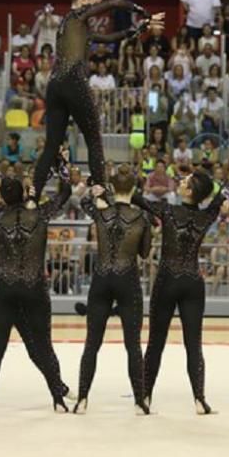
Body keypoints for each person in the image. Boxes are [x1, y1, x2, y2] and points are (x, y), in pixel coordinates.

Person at [32, 0, 162, 198]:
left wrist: (141, 28)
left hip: (55, 86)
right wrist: (142, 10)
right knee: (93, 139)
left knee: (52, 146)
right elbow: (114, 3)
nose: (94, 10)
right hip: (73, 81)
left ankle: (33, 193)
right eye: (93, 3)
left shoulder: (69, 24)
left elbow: (112, 37)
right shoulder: (78, 14)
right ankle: (100, 190)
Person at [0, 151, 73, 413]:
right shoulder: (40, 214)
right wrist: (62, 166)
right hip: (33, 286)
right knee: (43, 345)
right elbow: (66, 192)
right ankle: (57, 397)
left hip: (5, 286)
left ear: (3, 197)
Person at [132, 170, 229, 415]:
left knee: (156, 342)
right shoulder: (207, 216)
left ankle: (145, 396)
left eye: (186, 181)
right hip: (192, 283)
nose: (181, 181)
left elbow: (136, 198)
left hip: (167, 280)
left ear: (190, 191)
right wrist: (218, 194)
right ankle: (199, 399)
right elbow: (223, 190)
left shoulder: (168, 211)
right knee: (193, 344)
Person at [74, 166, 152, 415]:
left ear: (113, 187)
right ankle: (140, 401)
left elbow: (83, 199)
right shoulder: (140, 218)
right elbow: (145, 252)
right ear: (134, 188)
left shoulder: (101, 212)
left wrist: (97, 191)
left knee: (92, 343)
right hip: (127, 279)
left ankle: (82, 398)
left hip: (101, 279)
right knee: (133, 345)